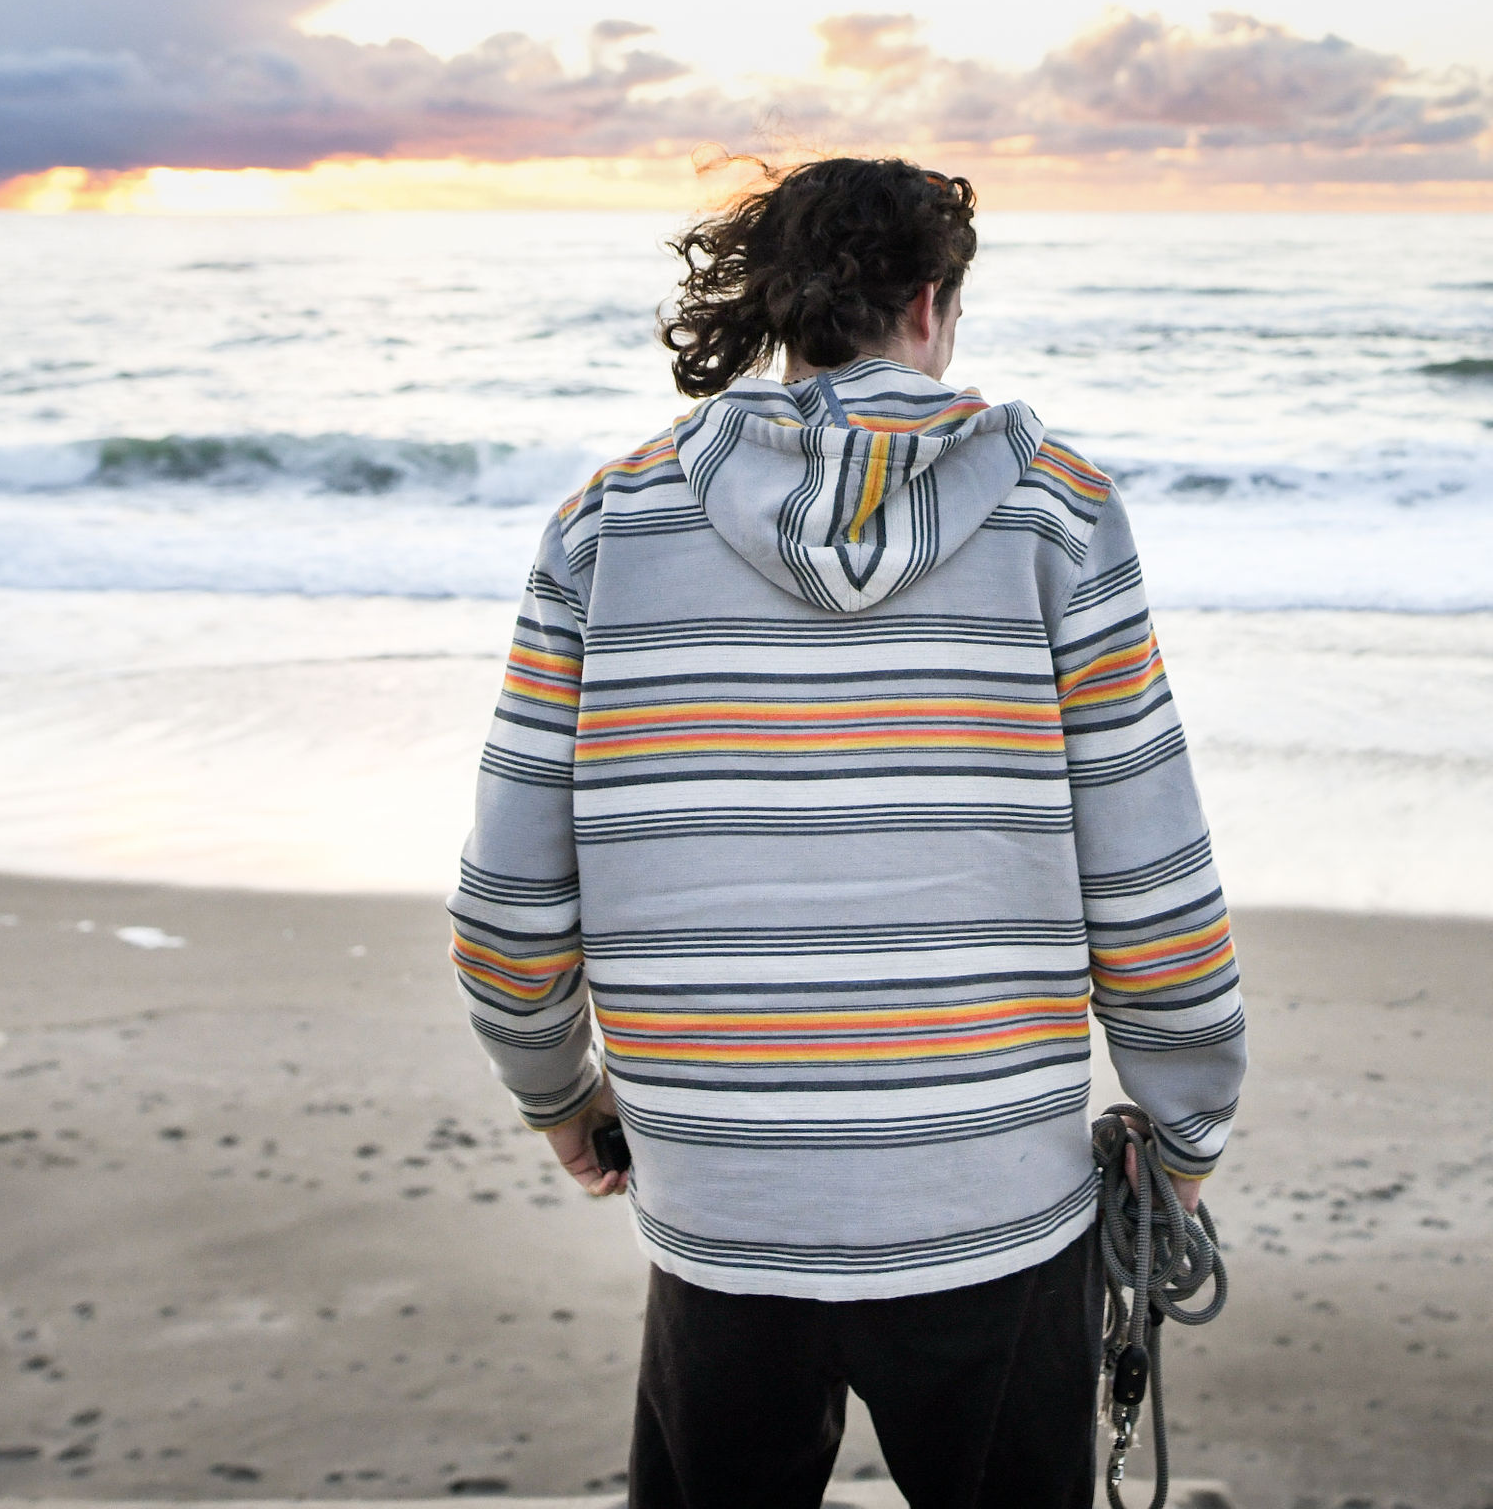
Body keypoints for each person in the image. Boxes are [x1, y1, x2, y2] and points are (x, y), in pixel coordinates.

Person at [447, 156, 1246, 1509]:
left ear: (778, 311)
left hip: (723, 1198)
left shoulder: (609, 520)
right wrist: (1181, 1130)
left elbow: (510, 902)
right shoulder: (1058, 509)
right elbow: (1151, 880)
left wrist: (558, 1095)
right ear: (930, 303)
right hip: (994, 1194)